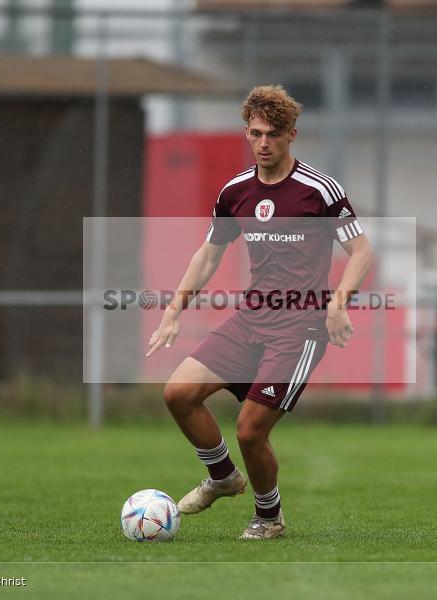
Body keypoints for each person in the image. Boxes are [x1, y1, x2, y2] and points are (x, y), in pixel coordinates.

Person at [146, 85, 373, 539]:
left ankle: (269, 517)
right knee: (178, 394)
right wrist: (173, 309)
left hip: (301, 327)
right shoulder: (235, 191)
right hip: (251, 319)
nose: (263, 143)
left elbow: (362, 250)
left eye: (273, 134)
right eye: (254, 134)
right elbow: (208, 255)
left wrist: (337, 304)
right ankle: (224, 477)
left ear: (292, 134)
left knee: (251, 430)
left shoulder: (319, 190)